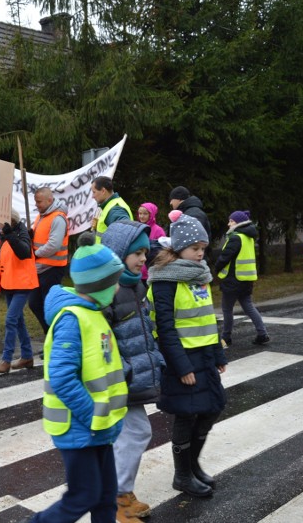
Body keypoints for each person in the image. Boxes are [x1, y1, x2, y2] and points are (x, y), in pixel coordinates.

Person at [27, 234, 127, 523]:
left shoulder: (94, 313)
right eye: (115, 281)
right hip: (80, 426)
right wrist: (93, 415)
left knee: (106, 498)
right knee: (83, 496)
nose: (118, 287)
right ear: (99, 285)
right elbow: (61, 377)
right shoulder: (72, 318)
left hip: (98, 425)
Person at [147, 214, 227, 498]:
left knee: (212, 407)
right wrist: (180, 366)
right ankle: (182, 475)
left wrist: (218, 353)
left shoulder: (199, 275)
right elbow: (164, 327)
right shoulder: (165, 280)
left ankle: (193, 466)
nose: (200, 253)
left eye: (203, 248)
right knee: (187, 413)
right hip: (183, 358)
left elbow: (207, 317)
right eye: (195, 248)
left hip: (204, 356)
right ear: (179, 247)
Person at [101, 220, 165, 523]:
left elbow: (142, 330)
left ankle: (121, 495)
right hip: (117, 380)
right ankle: (116, 500)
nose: (143, 259)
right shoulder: (108, 290)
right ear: (117, 253)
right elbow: (102, 338)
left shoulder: (137, 284)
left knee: (129, 435)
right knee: (136, 432)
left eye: (145, 252)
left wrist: (155, 360)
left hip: (131, 378)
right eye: (137, 253)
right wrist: (123, 371)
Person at [213, 210, 269, 346]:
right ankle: (262, 333)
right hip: (246, 279)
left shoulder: (236, 237)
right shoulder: (248, 237)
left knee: (227, 309)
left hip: (233, 279)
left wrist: (216, 268)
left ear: (238, 223)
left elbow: (225, 257)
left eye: (231, 221)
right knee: (249, 306)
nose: (228, 224)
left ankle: (226, 337)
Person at [0, 209, 38, 374]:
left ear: (8, 221)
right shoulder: (4, 237)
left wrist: (9, 233)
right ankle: (27, 356)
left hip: (22, 285)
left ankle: (6, 360)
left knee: (10, 320)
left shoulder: (21, 233)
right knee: (18, 321)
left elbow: (24, 252)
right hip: (9, 285)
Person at [29, 187, 70, 335]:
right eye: (36, 202)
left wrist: (35, 254)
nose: (37, 205)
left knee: (50, 306)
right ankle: (51, 336)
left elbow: (54, 245)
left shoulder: (58, 218)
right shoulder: (41, 216)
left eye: (39, 202)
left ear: (49, 200)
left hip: (52, 269)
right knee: (34, 303)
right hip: (40, 268)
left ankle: (56, 337)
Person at [91, 176, 133, 243]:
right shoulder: (111, 205)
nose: (92, 196)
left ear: (103, 191)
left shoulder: (115, 209)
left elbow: (125, 234)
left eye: (94, 192)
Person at [136, 202, 166, 283]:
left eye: (145, 214)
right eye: (140, 213)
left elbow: (162, 251)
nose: (141, 216)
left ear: (151, 214)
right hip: (138, 270)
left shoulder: (158, 230)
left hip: (151, 270)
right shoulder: (137, 228)